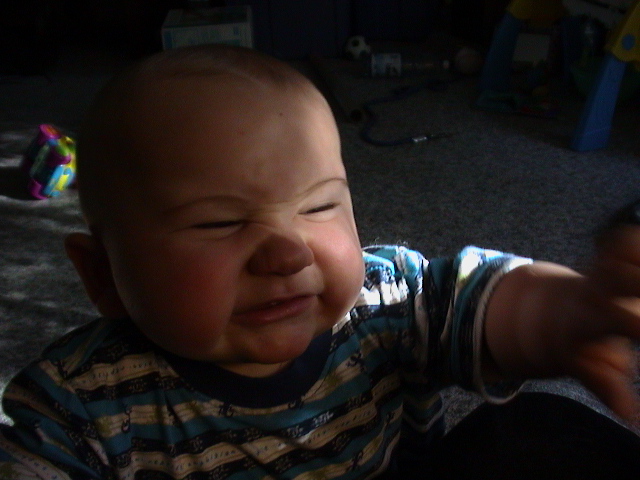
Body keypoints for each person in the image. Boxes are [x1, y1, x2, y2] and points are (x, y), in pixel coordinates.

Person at [0, 44, 639, 479]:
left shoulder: (386, 304)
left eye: (319, 206)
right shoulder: (77, 409)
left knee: (543, 428)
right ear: (102, 274)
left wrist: (568, 314)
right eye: (220, 222)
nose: (288, 252)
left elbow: (490, 306)